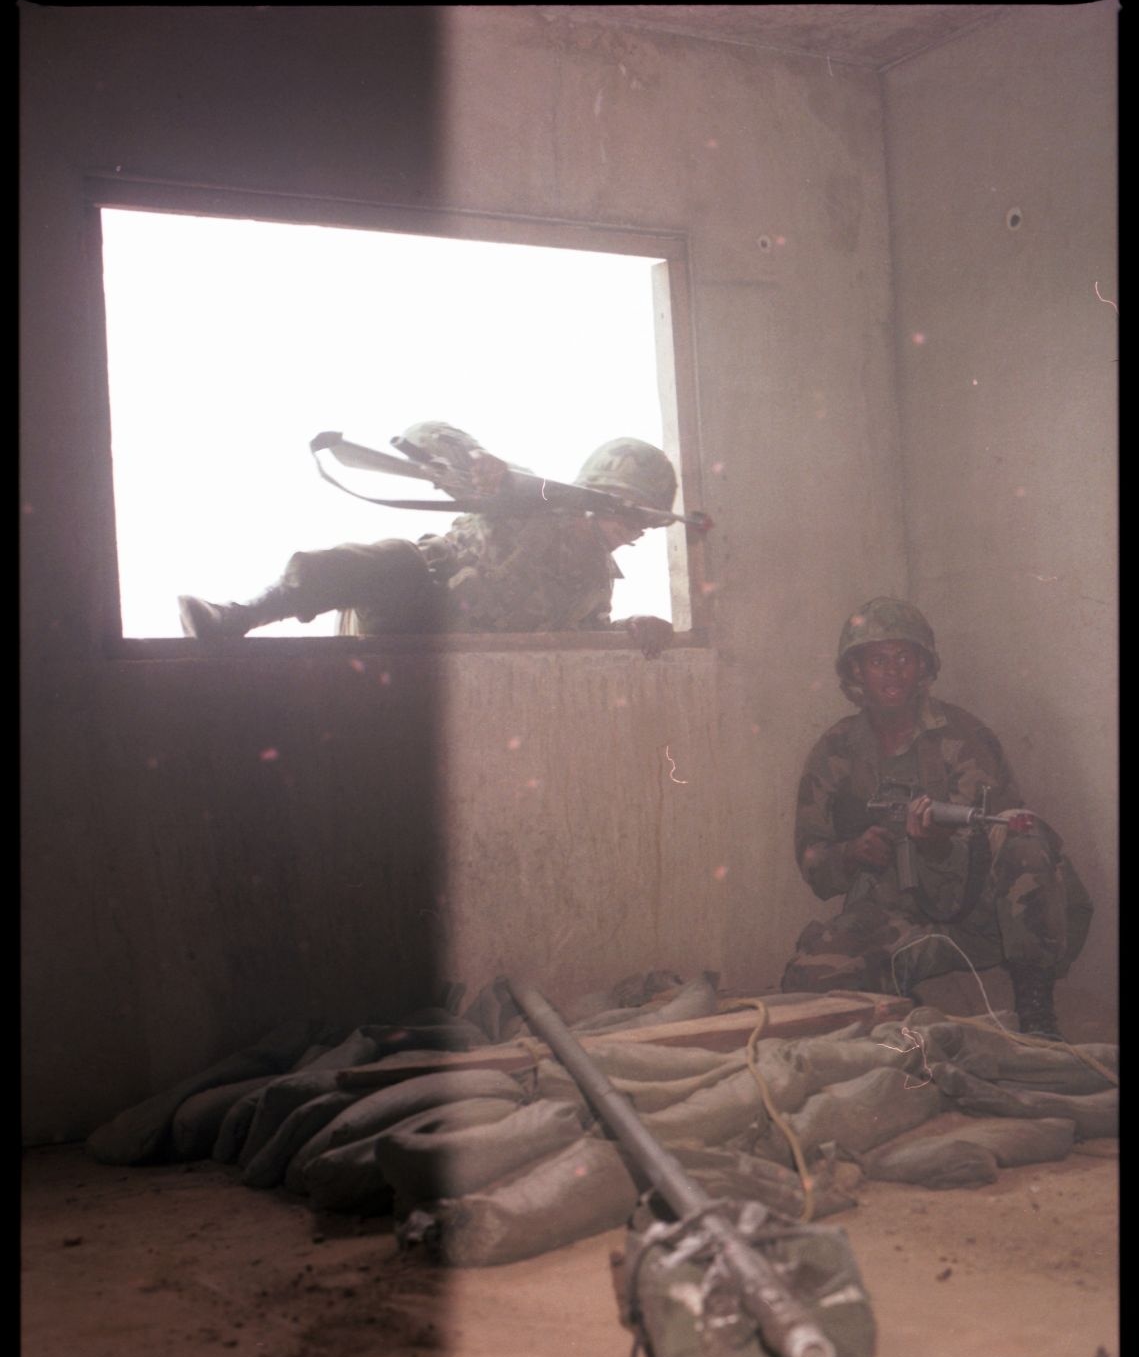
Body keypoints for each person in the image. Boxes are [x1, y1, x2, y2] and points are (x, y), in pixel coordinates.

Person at [779, 597, 1093, 1040]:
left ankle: (1036, 1008)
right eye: (877, 660)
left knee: (1024, 827)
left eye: (904, 658)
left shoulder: (964, 738)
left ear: (923, 667)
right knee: (806, 978)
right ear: (856, 673)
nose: (891, 672)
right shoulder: (836, 750)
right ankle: (903, 1010)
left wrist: (936, 845)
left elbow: (1007, 838)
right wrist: (851, 854)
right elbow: (812, 858)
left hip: (979, 914)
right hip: (898, 915)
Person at [177, 422, 679, 658]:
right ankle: (237, 617)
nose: (633, 529)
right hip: (407, 606)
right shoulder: (527, 498)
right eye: (625, 510)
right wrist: (478, 458)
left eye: (645, 522)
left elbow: (583, 635)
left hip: (453, 663)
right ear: (592, 495)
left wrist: (632, 628)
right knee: (396, 558)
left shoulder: (595, 581)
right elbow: (427, 434)